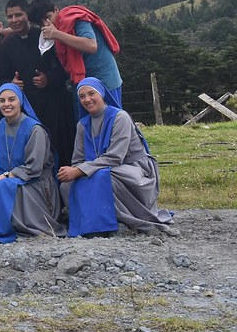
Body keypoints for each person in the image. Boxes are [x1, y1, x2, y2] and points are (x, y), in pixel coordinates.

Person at [59, 78, 173, 237]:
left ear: (102, 94)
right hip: (99, 169)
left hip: (134, 168)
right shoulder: (82, 125)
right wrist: (75, 171)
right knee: (67, 185)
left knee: (103, 178)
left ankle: (121, 222)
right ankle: (88, 225)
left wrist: (79, 170)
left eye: (91, 94)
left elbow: (115, 157)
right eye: (82, 96)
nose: (87, 99)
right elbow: (78, 159)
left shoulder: (120, 117)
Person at [0, 84, 65, 243]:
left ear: (20, 101)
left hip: (37, 183)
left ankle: (4, 228)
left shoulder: (35, 129)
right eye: (2, 100)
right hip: (12, 180)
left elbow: (34, 168)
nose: (6, 104)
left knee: (1, 187)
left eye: (11, 99)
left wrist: (6, 176)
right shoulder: (1, 126)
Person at [0, 0, 75, 166]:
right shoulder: (5, 46)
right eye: (10, 17)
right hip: (28, 108)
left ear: (27, 15)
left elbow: (65, 66)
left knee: (62, 146)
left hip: (55, 103)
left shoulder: (45, 35)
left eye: (18, 15)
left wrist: (49, 78)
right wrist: (12, 84)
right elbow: (0, 77)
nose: (14, 20)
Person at [28, 0, 124, 105]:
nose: (45, 24)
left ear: (56, 10)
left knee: (111, 119)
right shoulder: (56, 29)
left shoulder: (74, 18)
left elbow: (91, 45)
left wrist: (56, 34)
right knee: (85, 122)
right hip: (81, 85)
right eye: (41, 23)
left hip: (104, 82)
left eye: (47, 17)